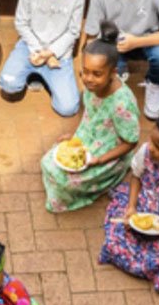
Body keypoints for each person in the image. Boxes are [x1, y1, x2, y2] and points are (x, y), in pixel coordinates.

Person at [40, 40, 138, 213]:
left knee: (63, 179)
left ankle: (109, 180)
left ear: (113, 73)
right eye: (85, 72)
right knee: (48, 162)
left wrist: (101, 160)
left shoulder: (122, 104)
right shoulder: (93, 87)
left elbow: (130, 143)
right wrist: (74, 135)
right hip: (88, 139)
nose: (88, 79)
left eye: (97, 74)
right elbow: (90, 115)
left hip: (109, 153)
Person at [0, 0, 84, 117]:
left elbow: (73, 32)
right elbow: (21, 22)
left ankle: (42, 74)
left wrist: (50, 53)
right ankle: (36, 73)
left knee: (68, 108)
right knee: (8, 84)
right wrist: (38, 50)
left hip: (59, 55)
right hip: (29, 47)